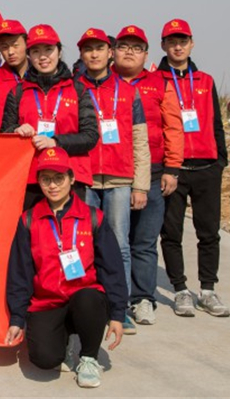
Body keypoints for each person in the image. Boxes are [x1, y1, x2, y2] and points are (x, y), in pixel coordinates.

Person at [5, 147, 125, 389]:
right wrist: (17, 317)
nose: (53, 186)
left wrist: (117, 314)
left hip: (84, 296)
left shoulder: (93, 217)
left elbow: (112, 268)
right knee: (45, 359)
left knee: (88, 299)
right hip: (47, 301)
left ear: (71, 179)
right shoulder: (29, 220)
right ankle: (66, 340)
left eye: (59, 178)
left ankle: (89, 357)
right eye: (46, 179)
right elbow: (20, 272)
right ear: (39, 182)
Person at [75, 28, 150, 335]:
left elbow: (140, 140)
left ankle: (120, 307)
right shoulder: (74, 89)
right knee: (85, 242)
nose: (94, 54)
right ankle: (90, 304)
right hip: (85, 178)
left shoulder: (129, 92)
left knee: (120, 244)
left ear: (110, 53)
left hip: (120, 178)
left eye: (99, 48)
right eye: (88, 49)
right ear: (81, 54)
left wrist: (140, 185)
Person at [158, 18, 230, 317]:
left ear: (191, 44)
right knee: (171, 233)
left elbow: (216, 123)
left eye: (183, 41)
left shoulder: (206, 81)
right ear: (163, 45)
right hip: (174, 169)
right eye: (172, 42)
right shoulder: (156, 80)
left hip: (207, 168)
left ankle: (208, 290)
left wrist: (221, 161)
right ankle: (180, 290)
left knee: (209, 232)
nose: (178, 47)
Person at [112, 25, 183, 327]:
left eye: (136, 47)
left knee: (143, 241)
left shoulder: (160, 83)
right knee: (113, 242)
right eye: (123, 46)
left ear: (146, 53)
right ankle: (115, 299)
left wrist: (172, 168)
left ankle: (142, 298)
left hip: (153, 174)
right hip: (113, 175)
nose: (129, 52)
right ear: (113, 51)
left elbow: (173, 127)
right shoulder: (101, 81)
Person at [2, 24, 99, 211]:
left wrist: (55, 142)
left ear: (59, 52)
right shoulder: (18, 92)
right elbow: (5, 133)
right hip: (31, 178)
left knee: (71, 227)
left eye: (48, 49)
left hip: (70, 176)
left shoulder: (78, 90)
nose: (43, 56)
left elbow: (90, 136)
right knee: (33, 227)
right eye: (36, 51)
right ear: (29, 56)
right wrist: (15, 130)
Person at [0, 19, 28, 134]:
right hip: (3, 143)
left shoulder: (42, 77)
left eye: (15, 45)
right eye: (4, 47)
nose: (10, 51)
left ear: (27, 44)